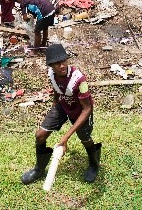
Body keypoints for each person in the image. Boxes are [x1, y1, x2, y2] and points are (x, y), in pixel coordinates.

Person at [21, 43, 101, 185]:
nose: (61, 66)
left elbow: (87, 109)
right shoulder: (52, 74)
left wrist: (65, 139)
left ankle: (94, 164)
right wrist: (54, 108)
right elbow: (57, 91)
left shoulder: (79, 79)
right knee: (40, 135)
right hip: (63, 106)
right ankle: (39, 169)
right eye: (57, 63)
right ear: (51, 65)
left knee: (85, 137)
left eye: (63, 61)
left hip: (80, 111)